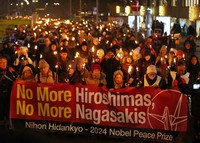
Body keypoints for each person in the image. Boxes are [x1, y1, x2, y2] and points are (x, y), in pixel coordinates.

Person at [0, 56, 17, 128]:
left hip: (8, 93)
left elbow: (17, 78)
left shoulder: (10, 70)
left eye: (5, 62)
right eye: (1, 62)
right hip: (0, 93)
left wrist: (13, 72)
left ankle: (7, 122)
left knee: (7, 108)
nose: (3, 64)